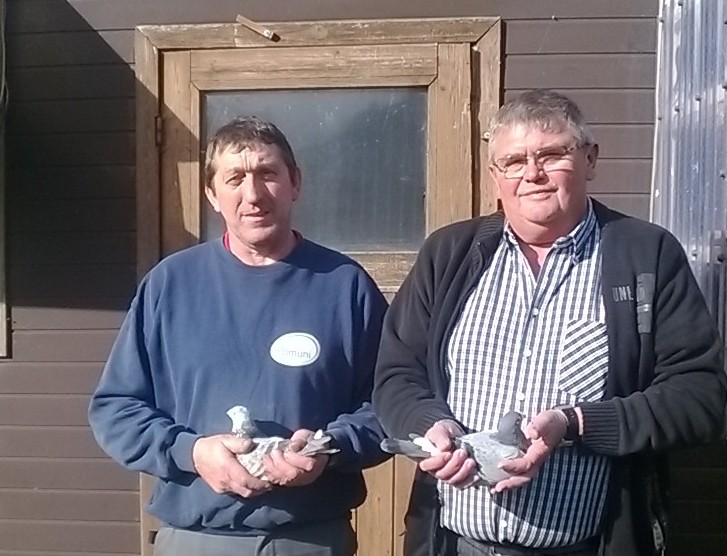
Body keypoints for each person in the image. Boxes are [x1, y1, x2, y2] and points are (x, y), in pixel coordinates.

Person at [372, 89, 726, 556]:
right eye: (513, 161)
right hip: (455, 543)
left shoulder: (646, 255)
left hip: (585, 546)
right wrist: (429, 423)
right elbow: (397, 374)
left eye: (552, 155)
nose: (532, 174)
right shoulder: (449, 253)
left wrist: (576, 423)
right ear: (495, 176)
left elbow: (700, 397)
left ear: (590, 159)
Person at [89, 116, 388, 556]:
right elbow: (116, 408)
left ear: (295, 183)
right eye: (235, 179)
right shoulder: (170, 285)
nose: (253, 195)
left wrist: (330, 448)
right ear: (212, 194)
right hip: (196, 539)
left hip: (310, 538)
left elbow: (386, 404)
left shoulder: (344, 285)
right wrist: (191, 452)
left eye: (267, 173)